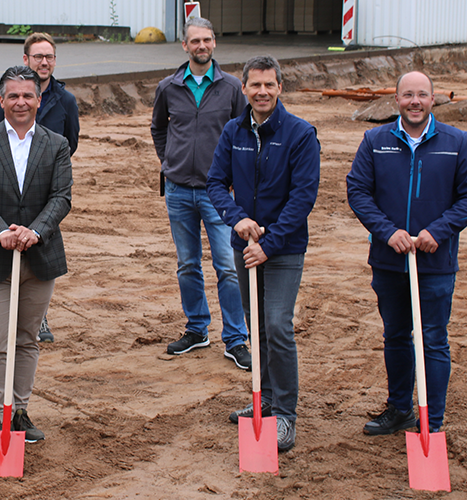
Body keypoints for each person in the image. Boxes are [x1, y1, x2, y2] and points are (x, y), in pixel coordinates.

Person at [345, 71, 467, 436]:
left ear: (433, 99)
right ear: (396, 100)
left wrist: (438, 231)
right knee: (395, 336)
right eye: (407, 95)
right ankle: (399, 409)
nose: (415, 102)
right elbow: (358, 190)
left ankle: (431, 423)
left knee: (433, 340)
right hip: (389, 261)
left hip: (435, 263)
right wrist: (387, 232)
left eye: (422, 95)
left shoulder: (457, 142)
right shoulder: (375, 141)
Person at [207, 56, 320, 452]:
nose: (262, 92)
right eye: (255, 85)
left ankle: (285, 413)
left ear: (280, 88)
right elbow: (216, 183)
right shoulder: (233, 131)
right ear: (244, 89)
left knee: (276, 325)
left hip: (283, 248)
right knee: (256, 326)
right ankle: (265, 398)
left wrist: (268, 246)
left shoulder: (300, 134)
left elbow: (303, 197)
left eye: (269, 85)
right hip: (245, 245)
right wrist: (237, 219)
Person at [0, 66, 73, 454]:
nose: (21, 102)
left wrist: (35, 231)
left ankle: (21, 412)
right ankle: (0, 416)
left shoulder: (57, 144)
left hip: (40, 256)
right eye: (13, 96)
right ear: (1, 100)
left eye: (28, 95)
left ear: (39, 100)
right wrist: (0, 231)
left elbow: (61, 197)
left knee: (27, 339)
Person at [149, 17, 249, 370]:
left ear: (214, 42)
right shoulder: (168, 87)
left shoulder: (232, 87)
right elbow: (158, 128)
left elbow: (244, 133)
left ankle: (235, 338)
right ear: (185, 45)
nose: (201, 46)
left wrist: (233, 176)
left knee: (228, 266)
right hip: (178, 191)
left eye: (207, 40)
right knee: (187, 265)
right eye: (195, 41)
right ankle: (197, 329)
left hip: (217, 193)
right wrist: (169, 162)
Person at [0, 32, 80, 343]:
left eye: (49, 56)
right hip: (8, 188)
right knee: (8, 249)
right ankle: (7, 310)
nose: (44, 62)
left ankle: (38, 318)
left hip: (44, 189)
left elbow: (71, 143)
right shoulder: (6, 97)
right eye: (38, 56)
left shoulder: (66, 101)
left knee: (39, 251)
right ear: (26, 59)